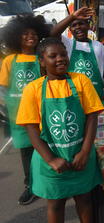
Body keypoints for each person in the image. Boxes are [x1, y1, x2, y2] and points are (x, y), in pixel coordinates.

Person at [16, 38, 103, 223]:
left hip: (81, 156)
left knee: (85, 200)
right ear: (42, 61)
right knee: (55, 203)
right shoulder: (33, 89)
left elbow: (92, 117)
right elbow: (31, 127)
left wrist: (85, 152)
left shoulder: (81, 80)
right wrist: (51, 159)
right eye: (53, 56)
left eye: (63, 54)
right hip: (50, 160)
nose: (60, 59)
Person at [0, 14, 50, 205]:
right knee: (27, 152)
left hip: (43, 112)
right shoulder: (10, 60)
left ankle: (46, 181)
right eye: (25, 34)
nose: (31, 36)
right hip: (19, 115)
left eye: (34, 33)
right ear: (16, 36)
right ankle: (30, 185)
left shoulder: (42, 58)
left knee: (46, 148)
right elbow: (2, 88)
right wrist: (7, 109)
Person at [50, 7, 104, 100]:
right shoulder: (67, 43)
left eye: (81, 24)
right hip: (73, 97)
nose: (78, 27)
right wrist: (72, 16)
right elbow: (53, 34)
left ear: (88, 26)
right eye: (73, 25)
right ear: (70, 29)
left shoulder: (98, 46)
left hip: (95, 97)